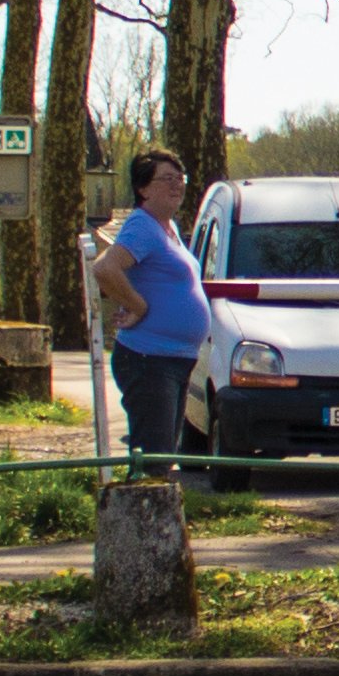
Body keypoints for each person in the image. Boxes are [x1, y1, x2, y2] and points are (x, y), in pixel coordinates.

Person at [94, 150, 207, 464]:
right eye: (166, 179)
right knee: (153, 461)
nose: (177, 186)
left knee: (163, 459)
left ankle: (158, 512)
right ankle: (142, 513)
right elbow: (105, 269)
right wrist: (137, 306)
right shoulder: (143, 225)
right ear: (143, 189)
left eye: (180, 179)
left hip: (174, 360)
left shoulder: (166, 229)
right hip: (150, 360)